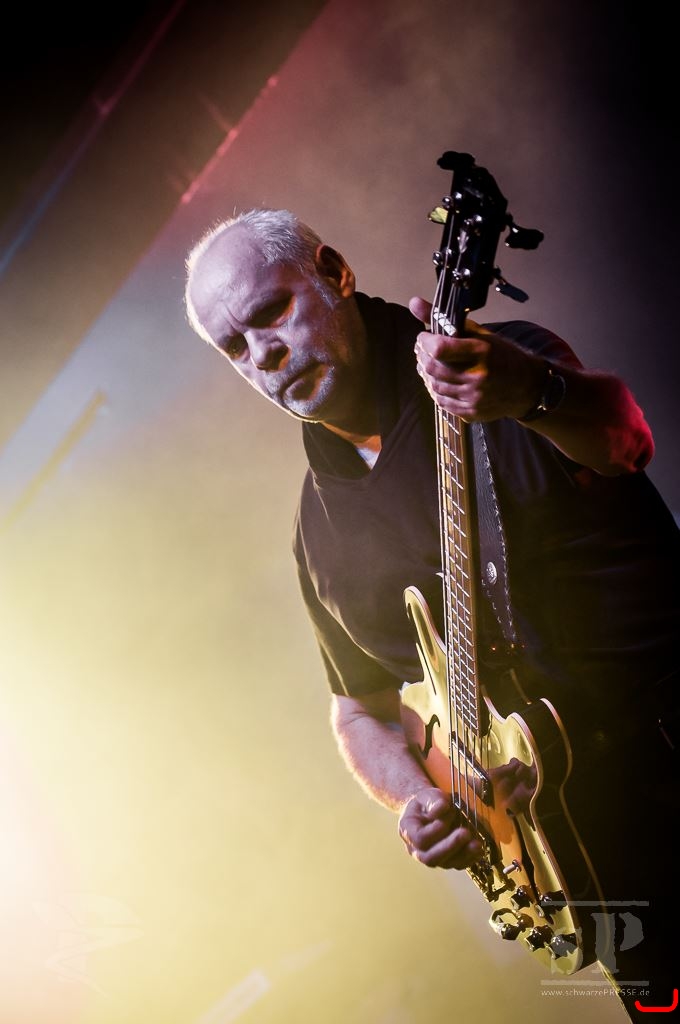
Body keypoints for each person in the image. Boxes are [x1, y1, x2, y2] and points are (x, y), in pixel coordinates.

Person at [184, 207, 679, 1019]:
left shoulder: (500, 366)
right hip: (601, 867)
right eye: (234, 348)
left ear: (335, 273)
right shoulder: (319, 531)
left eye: (271, 312)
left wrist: (534, 392)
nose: (262, 354)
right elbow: (358, 711)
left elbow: (625, 437)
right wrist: (417, 797)